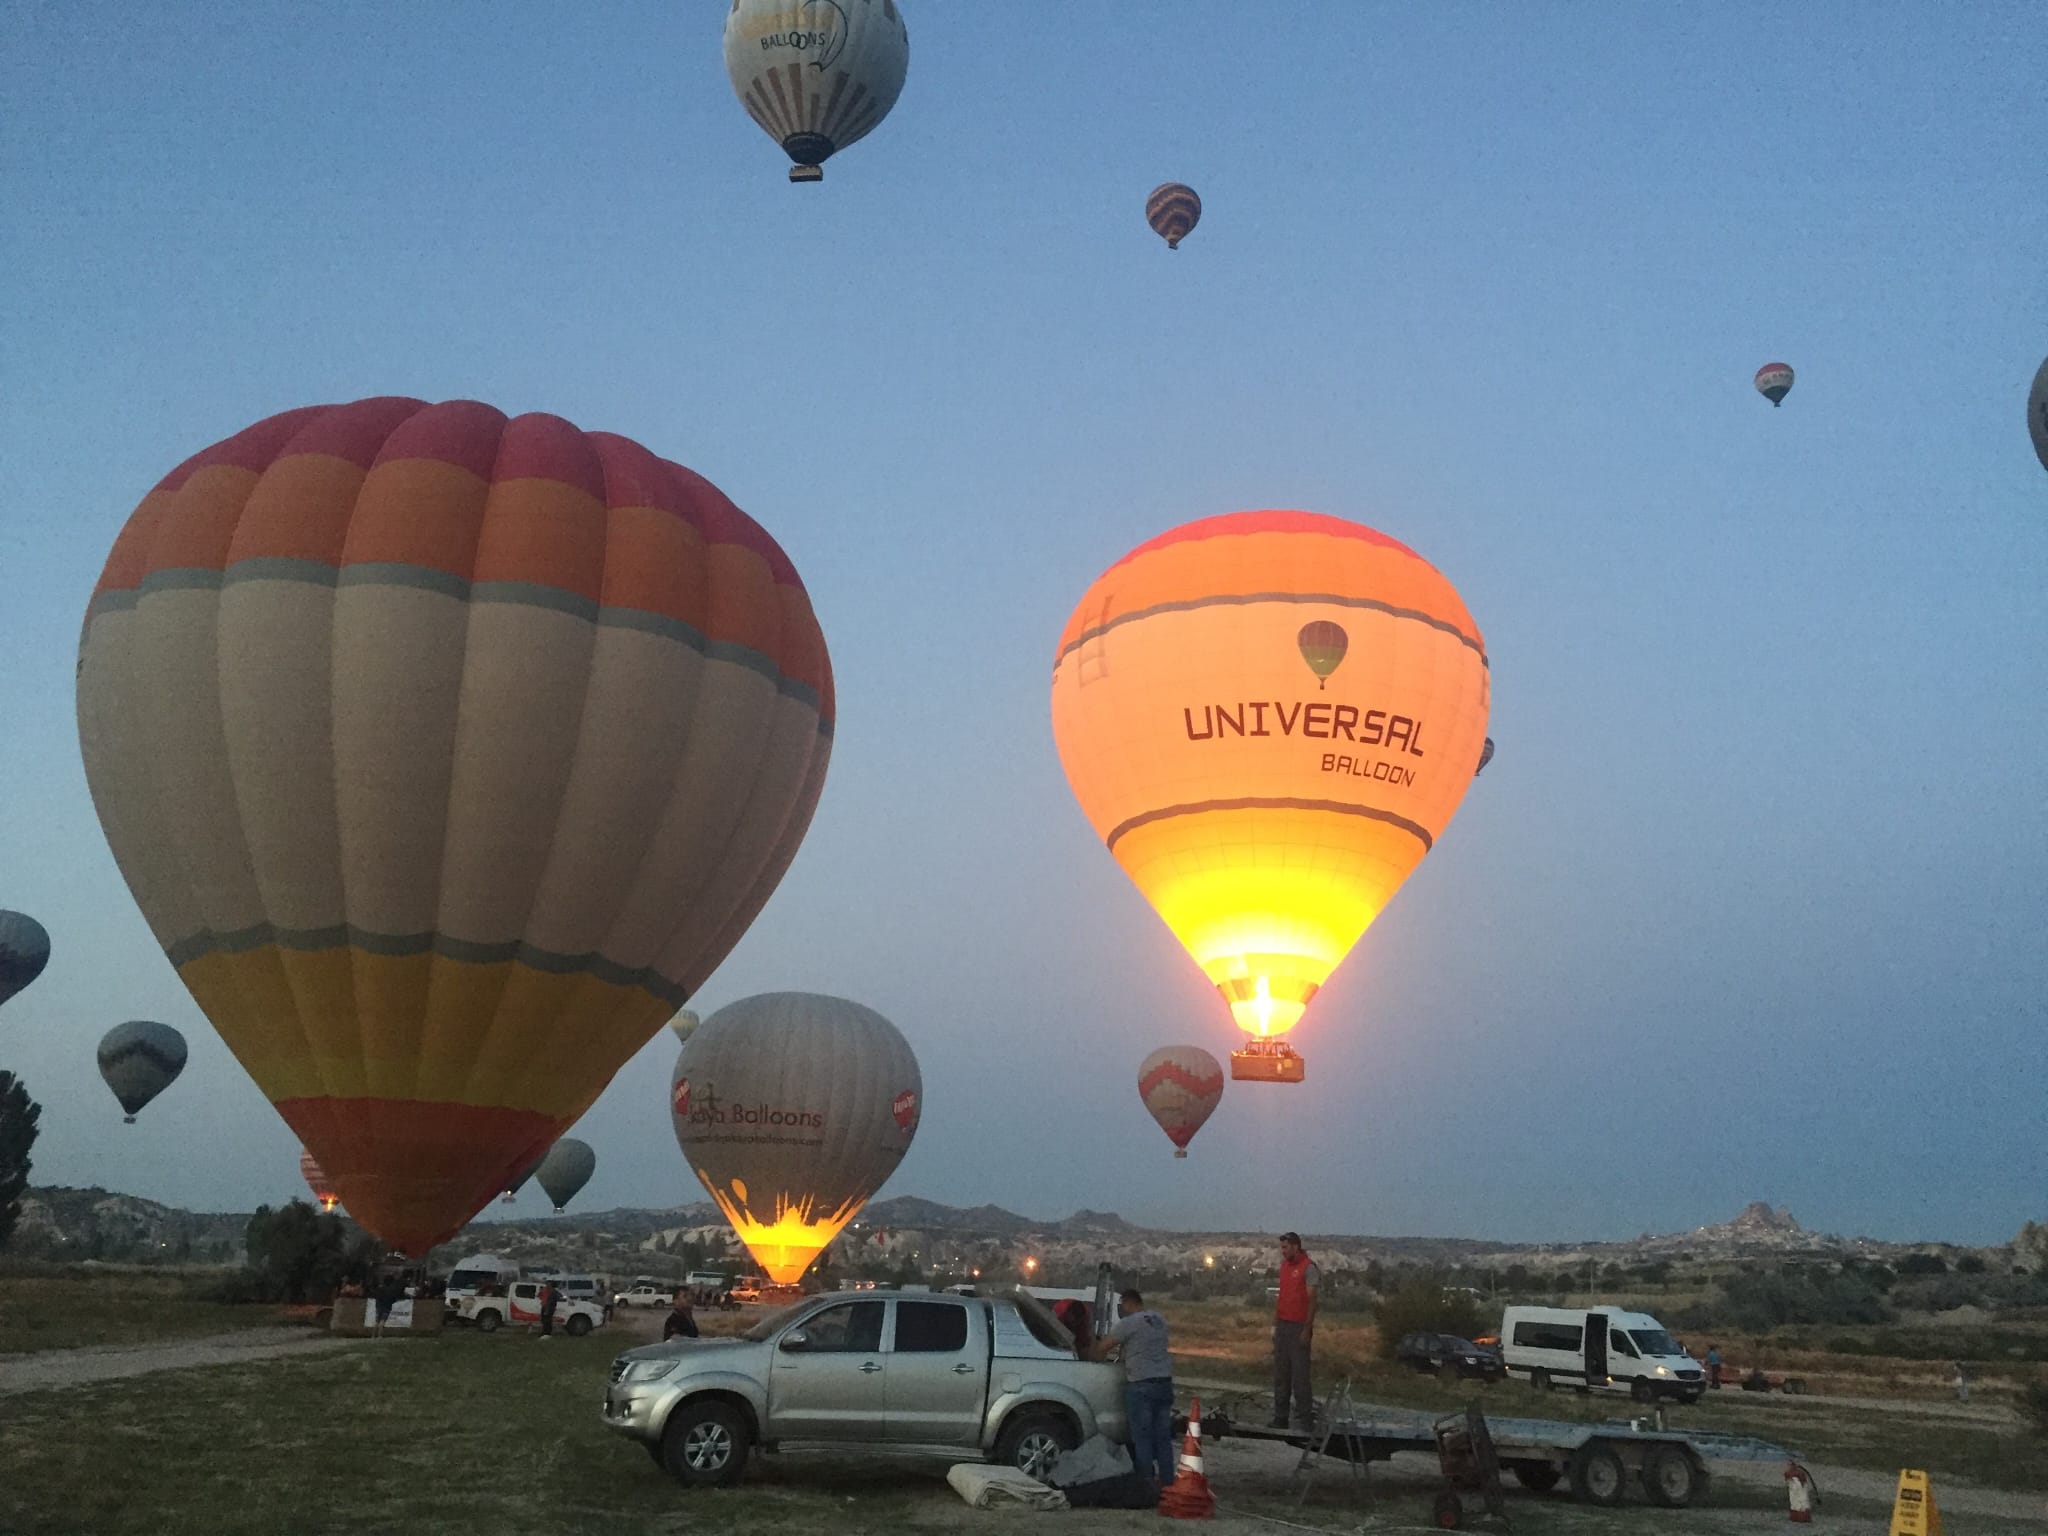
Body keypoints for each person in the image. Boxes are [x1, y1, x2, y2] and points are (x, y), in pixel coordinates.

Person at [1085, 1289, 1175, 1492]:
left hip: (1141, 1385)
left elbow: (1103, 1348)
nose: (1121, 1309)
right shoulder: (1159, 1319)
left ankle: (1146, 1484)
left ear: (1127, 1303)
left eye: (1122, 1305)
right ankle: (1168, 1483)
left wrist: (1091, 1348)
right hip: (1164, 1383)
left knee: (1141, 1437)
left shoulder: (1128, 1323)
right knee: (1162, 1437)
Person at [1272, 1232, 1320, 1430]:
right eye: (1281, 1248)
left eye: (1285, 1248)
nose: (1282, 1252)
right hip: (1283, 1325)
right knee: (1281, 1375)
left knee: (1300, 1377)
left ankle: (1305, 1420)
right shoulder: (1284, 1268)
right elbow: (1281, 1297)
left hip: (1299, 1326)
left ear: (1295, 1246)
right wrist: (1275, 1325)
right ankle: (1280, 1417)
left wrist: (1307, 1329)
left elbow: (1312, 1300)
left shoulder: (1308, 1268)